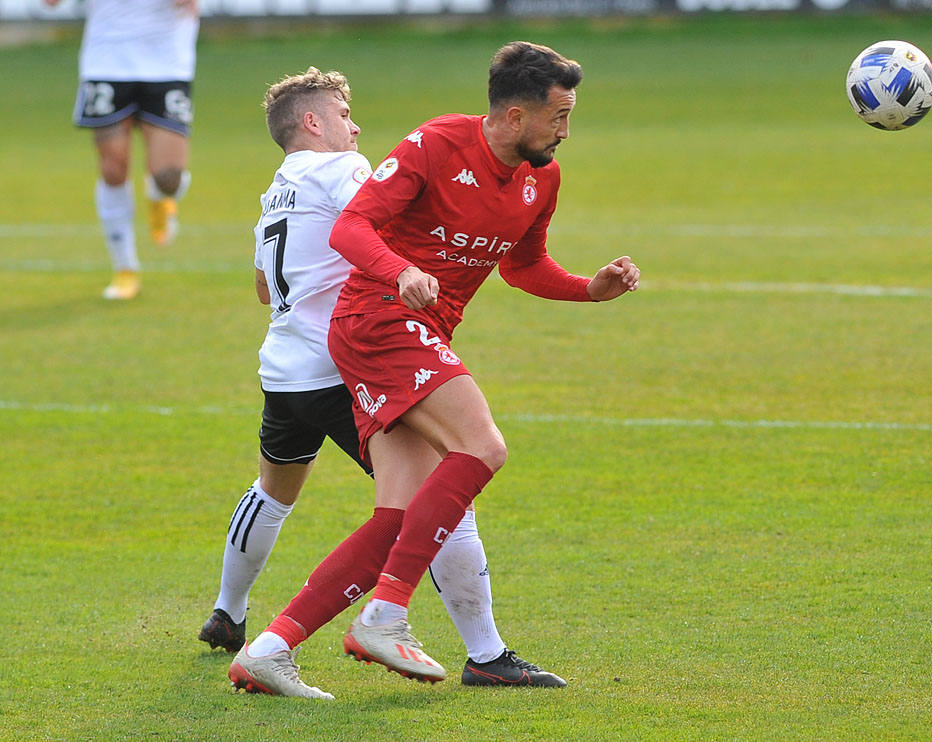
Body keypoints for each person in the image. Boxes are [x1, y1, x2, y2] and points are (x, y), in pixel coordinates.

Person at [229, 42, 640, 696]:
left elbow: (523, 264)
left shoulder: (542, 178)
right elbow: (352, 230)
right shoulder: (437, 143)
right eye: (558, 116)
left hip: (411, 332)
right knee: (482, 447)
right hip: (378, 320)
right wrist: (403, 270)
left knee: (401, 513)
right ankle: (387, 613)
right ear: (513, 116)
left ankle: (270, 649)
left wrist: (590, 288)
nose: (566, 130)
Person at [45, 0, 198, 300]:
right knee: (113, 169)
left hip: (166, 63)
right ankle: (125, 268)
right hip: (107, 60)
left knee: (169, 178)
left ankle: (159, 199)